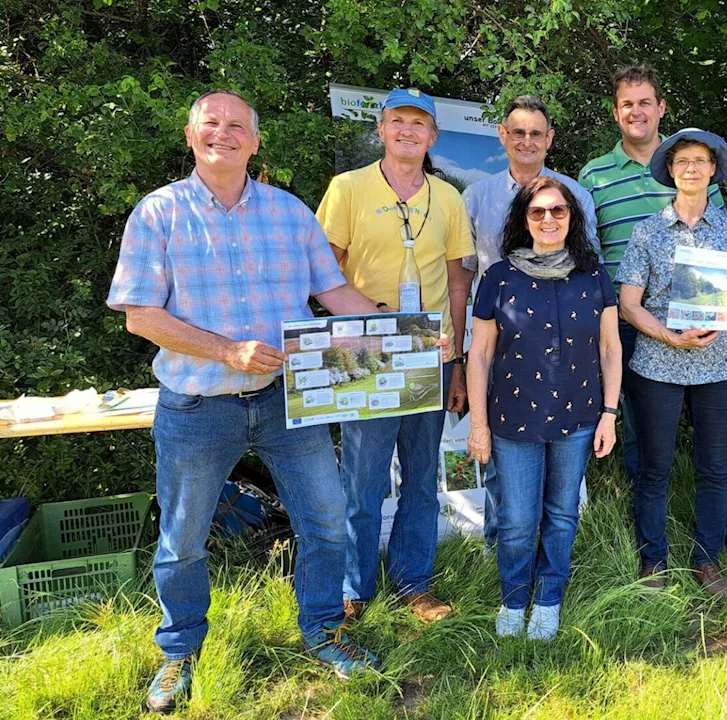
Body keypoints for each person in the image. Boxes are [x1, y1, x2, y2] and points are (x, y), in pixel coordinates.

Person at [108, 90, 382, 713]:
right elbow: (141, 316)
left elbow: (335, 292)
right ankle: (178, 652)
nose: (224, 134)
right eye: (212, 123)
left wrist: (409, 333)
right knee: (182, 539)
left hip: (289, 401)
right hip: (197, 408)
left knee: (325, 521)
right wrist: (228, 351)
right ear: (190, 134)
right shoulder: (158, 213)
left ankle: (324, 632)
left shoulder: (289, 213)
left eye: (238, 127)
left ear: (255, 142)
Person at [315, 88, 475, 624]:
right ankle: (353, 590)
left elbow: (457, 282)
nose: (408, 132)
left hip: (428, 353)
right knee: (361, 479)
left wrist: (456, 360)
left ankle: (413, 584)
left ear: (432, 137)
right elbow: (321, 273)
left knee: (422, 477)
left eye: (419, 124)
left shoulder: (448, 198)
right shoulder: (347, 189)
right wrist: (373, 314)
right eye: (398, 122)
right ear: (381, 129)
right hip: (363, 351)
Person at [578, 65, 727, 543]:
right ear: (616, 112)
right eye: (627, 104)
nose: (637, 111)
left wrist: (722, 313)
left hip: (701, 317)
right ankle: (648, 536)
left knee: (722, 442)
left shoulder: (693, 160)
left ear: (660, 107)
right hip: (627, 317)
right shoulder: (594, 174)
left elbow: (720, 248)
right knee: (639, 433)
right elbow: (587, 250)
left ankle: (722, 532)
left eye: (645, 102)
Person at [466, 176, 621, 641]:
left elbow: (611, 348)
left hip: (578, 416)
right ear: (524, 219)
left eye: (558, 211)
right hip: (514, 419)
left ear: (572, 218)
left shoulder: (593, 275)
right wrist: (478, 425)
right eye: (538, 212)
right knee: (516, 519)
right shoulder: (499, 277)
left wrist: (610, 414)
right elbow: (479, 354)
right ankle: (515, 598)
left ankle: (549, 598)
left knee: (562, 513)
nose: (549, 219)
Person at [616, 129, 727, 598]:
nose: (692, 168)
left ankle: (707, 559)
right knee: (654, 467)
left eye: (701, 160)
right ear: (671, 171)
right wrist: (668, 336)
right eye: (683, 161)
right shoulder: (647, 231)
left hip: (720, 366)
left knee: (716, 467)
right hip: (658, 364)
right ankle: (653, 559)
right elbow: (628, 303)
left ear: (713, 169)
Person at [462, 94, 599, 550]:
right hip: (504, 348)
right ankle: (499, 552)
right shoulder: (477, 196)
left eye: (535, 133)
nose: (526, 141)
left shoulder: (573, 194)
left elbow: (587, 265)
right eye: (517, 132)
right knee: (506, 470)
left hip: (565, 351)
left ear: (549, 140)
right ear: (503, 136)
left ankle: (549, 557)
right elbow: (464, 273)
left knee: (560, 478)